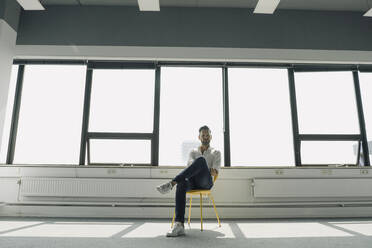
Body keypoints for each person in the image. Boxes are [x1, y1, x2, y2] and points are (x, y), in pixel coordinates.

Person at [156, 125, 221, 237]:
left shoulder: (216, 152)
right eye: (203, 135)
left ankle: (171, 183)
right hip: (192, 181)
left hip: (205, 182)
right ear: (199, 137)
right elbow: (190, 166)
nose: (205, 137)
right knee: (181, 183)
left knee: (200, 160)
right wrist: (198, 167)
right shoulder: (193, 151)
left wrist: (204, 168)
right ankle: (179, 225)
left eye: (207, 135)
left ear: (211, 137)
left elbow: (215, 172)